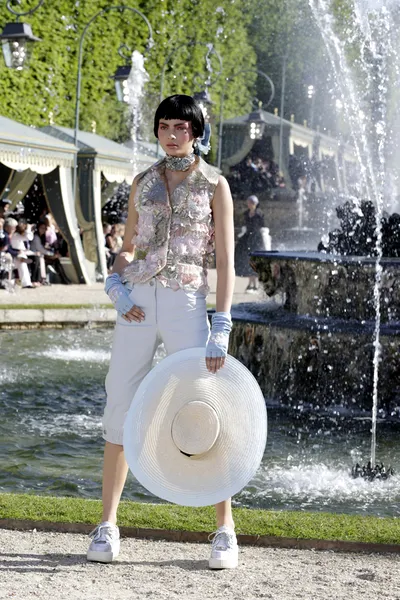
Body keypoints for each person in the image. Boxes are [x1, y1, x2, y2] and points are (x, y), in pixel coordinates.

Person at [87, 94, 237, 569]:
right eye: (165, 126)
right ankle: (107, 525)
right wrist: (115, 284)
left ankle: (224, 529)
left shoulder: (215, 184)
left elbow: (226, 260)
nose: (172, 135)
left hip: (185, 302)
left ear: (197, 133)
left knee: (204, 405)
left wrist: (221, 323)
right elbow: (128, 247)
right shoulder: (143, 182)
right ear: (156, 131)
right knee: (120, 404)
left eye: (182, 127)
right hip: (136, 304)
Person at [234, 195, 265, 292]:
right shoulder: (246, 213)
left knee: (255, 259)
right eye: (248, 203)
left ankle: (255, 283)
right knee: (246, 258)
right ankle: (250, 282)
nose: (249, 204)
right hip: (247, 238)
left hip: (256, 238)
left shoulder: (259, 214)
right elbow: (245, 225)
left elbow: (262, 226)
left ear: (255, 204)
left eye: (251, 203)